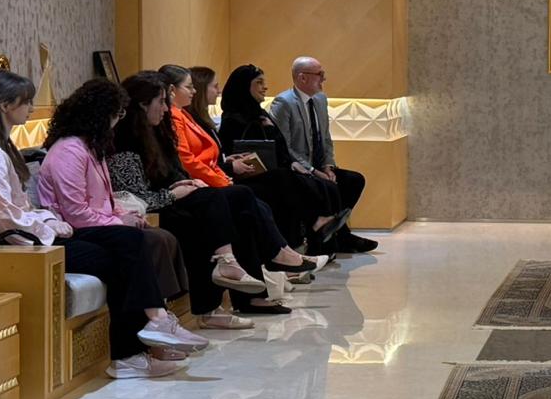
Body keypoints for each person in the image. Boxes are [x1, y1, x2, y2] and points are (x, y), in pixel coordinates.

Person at [30, 77, 209, 376]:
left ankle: (131, 354)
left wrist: (125, 215)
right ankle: (153, 324)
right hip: (69, 232)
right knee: (130, 243)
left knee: (130, 251)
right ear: (101, 114)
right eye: (118, 113)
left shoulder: (92, 148)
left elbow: (106, 201)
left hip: (92, 230)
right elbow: (75, 214)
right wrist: (118, 222)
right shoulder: (69, 151)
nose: (119, 121)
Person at [111, 71, 304, 325]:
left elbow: (173, 170)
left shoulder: (158, 131)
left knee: (239, 204)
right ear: (143, 104)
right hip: (154, 210)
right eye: (161, 102)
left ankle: (248, 281)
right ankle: (244, 266)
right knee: (215, 206)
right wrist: (175, 192)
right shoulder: (126, 144)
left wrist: (184, 183)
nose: (166, 108)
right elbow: (137, 198)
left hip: (171, 198)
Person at [218, 64, 344, 254]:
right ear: (245, 86)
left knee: (319, 183)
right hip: (247, 175)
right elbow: (232, 151)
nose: (265, 87)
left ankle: (325, 240)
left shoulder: (260, 113)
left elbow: (280, 146)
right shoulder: (232, 118)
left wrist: (292, 162)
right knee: (287, 180)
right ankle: (312, 226)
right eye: (258, 82)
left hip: (272, 170)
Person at [269, 57, 376, 254]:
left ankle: (338, 235)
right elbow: (284, 146)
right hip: (299, 169)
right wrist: (313, 170)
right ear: (302, 78)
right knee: (328, 187)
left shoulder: (320, 99)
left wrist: (328, 166)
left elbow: (325, 138)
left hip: (318, 166)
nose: (324, 79)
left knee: (354, 180)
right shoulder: (283, 103)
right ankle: (333, 238)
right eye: (320, 74)